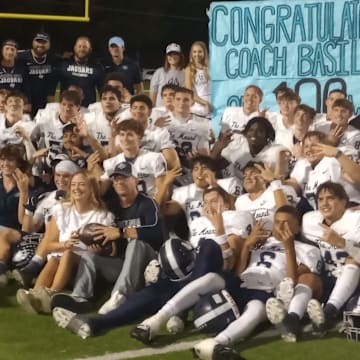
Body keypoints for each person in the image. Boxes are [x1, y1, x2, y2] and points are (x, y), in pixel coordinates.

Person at [51, 185, 253, 338]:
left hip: (216, 273)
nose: (208, 206)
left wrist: (219, 229)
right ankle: (96, 323)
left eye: (214, 201)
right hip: (188, 274)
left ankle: (178, 312)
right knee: (152, 291)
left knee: (208, 246)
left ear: (227, 203)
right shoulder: (198, 222)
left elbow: (230, 261)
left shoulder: (235, 217)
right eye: (206, 201)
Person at [131, 206, 321, 360]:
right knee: (210, 278)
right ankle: (154, 321)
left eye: (287, 223)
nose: (281, 227)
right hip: (242, 280)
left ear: (297, 228)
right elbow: (238, 270)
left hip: (267, 289)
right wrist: (247, 246)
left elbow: (293, 280)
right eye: (278, 222)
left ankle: (217, 344)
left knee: (255, 311)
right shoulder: (263, 240)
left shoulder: (307, 249)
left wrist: (289, 248)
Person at [51, 161, 165, 315]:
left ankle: (119, 296)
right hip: (121, 264)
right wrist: (101, 247)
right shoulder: (111, 206)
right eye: (116, 179)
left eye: (124, 178)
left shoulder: (147, 203)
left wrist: (122, 232)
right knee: (89, 256)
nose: (119, 182)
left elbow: (156, 233)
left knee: (135, 244)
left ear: (135, 180)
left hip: (147, 265)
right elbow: (109, 238)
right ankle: (80, 298)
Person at [16, 170, 114, 314]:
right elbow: (48, 245)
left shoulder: (103, 216)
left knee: (67, 253)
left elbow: (110, 250)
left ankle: (51, 294)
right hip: (58, 264)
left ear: (91, 189)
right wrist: (65, 244)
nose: (76, 188)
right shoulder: (61, 209)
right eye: (73, 184)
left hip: (84, 271)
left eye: (82, 184)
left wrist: (98, 251)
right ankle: (35, 294)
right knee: (56, 258)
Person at [0, 160, 79, 287]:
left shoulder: (79, 196)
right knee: (5, 233)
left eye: (66, 176)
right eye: (58, 175)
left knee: (51, 229)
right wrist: (27, 205)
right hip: (42, 239)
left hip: (63, 240)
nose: (61, 179)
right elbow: (29, 228)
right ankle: (1, 268)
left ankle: (31, 269)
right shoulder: (48, 197)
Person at [303, 182, 360, 334]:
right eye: (320, 199)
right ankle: (292, 316)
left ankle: (328, 313)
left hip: (354, 281)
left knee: (352, 259)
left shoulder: (356, 220)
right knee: (305, 275)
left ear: (343, 201)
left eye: (330, 198)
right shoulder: (309, 221)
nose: (324, 203)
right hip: (329, 279)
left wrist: (342, 243)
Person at [287, 132, 360, 209]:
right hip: (320, 214)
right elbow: (292, 184)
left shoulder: (336, 158)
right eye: (306, 146)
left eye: (314, 145)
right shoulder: (302, 166)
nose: (310, 149)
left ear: (326, 146)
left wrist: (338, 155)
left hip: (348, 208)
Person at [99, 119, 167, 200]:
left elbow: (163, 191)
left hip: (149, 205)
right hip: (123, 207)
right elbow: (100, 190)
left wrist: (154, 208)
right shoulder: (112, 162)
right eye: (122, 134)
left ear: (139, 137)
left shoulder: (155, 158)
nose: (125, 139)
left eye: (130, 135)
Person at [212, 117, 287, 180]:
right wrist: (218, 148)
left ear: (268, 135)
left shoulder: (277, 151)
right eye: (251, 130)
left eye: (260, 131)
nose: (254, 134)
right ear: (245, 133)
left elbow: (282, 180)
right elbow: (213, 166)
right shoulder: (238, 146)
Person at [17, 32, 59, 116]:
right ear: (33, 42)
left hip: (45, 102)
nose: (40, 45)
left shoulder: (53, 58)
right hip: (26, 102)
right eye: (38, 41)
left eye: (44, 42)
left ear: (49, 44)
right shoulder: (21, 57)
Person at [57, 36, 104, 107]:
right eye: (79, 46)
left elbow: (102, 91)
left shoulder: (97, 67)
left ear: (90, 50)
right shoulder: (64, 65)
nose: (82, 49)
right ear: (74, 48)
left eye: (85, 47)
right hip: (67, 108)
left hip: (88, 110)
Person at [0, 90, 36, 161]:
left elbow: (33, 160)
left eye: (17, 101)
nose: (13, 104)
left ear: (25, 107)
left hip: (19, 165)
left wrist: (26, 138)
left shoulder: (31, 126)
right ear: (5, 106)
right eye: (10, 101)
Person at [149, 43, 185, 107]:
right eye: (170, 55)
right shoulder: (159, 72)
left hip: (178, 110)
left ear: (180, 56)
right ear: (167, 57)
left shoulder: (185, 73)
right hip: (161, 110)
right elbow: (153, 93)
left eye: (175, 54)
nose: (172, 57)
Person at [0, 40, 31, 112]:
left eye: (12, 49)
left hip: (16, 106)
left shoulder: (22, 69)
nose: (10, 52)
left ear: (16, 52)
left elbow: (27, 89)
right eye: (7, 49)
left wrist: (27, 104)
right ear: (2, 51)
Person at [185, 41, 211, 117]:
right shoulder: (189, 69)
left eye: (200, 51)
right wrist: (205, 103)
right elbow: (189, 93)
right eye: (194, 52)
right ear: (191, 54)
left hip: (214, 104)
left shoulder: (211, 67)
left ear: (204, 53)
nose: (197, 54)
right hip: (200, 105)